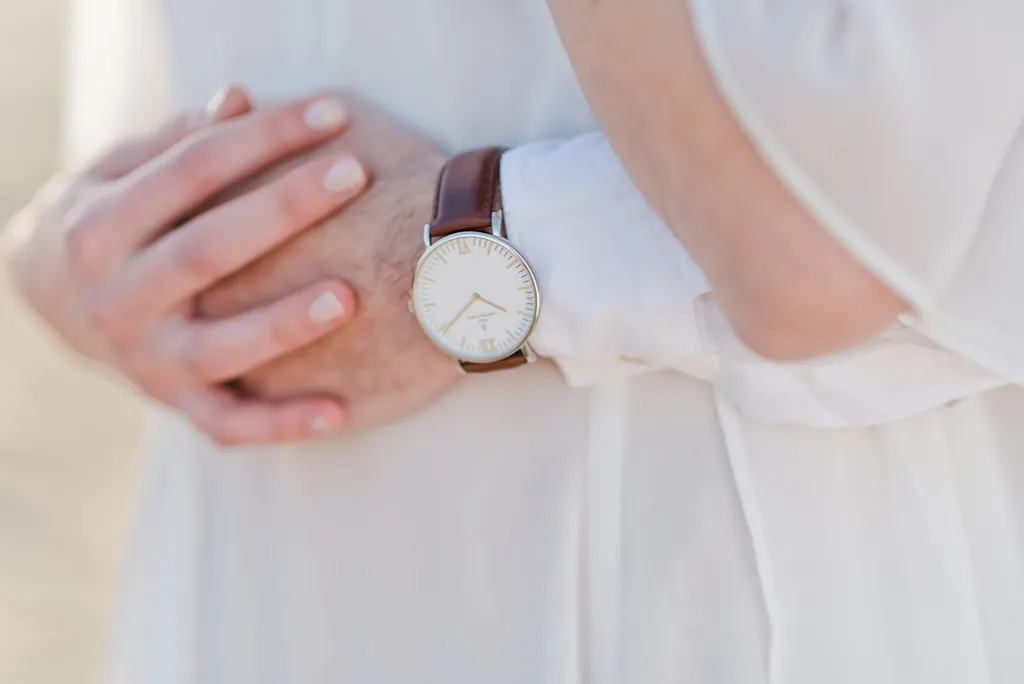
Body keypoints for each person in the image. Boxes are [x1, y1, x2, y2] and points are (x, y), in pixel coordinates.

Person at [6, 0, 1024, 682]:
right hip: (270, 562)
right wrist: (101, 250)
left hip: (708, 582)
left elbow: (849, 227)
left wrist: (459, 255)